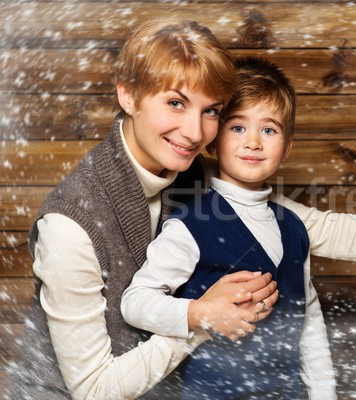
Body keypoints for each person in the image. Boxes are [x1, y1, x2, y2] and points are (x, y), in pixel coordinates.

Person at [10, 17, 356, 400]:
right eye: (175, 103)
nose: (194, 131)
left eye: (210, 111)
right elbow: (94, 388)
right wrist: (204, 317)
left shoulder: (192, 168)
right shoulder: (70, 226)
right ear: (128, 95)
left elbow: (321, 228)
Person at [121, 57, 335, 399]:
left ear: (287, 147)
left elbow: (308, 319)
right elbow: (135, 303)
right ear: (212, 142)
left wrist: (325, 394)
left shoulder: (294, 228)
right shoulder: (191, 225)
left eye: (269, 129)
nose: (253, 142)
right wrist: (199, 314)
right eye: (237, 127)